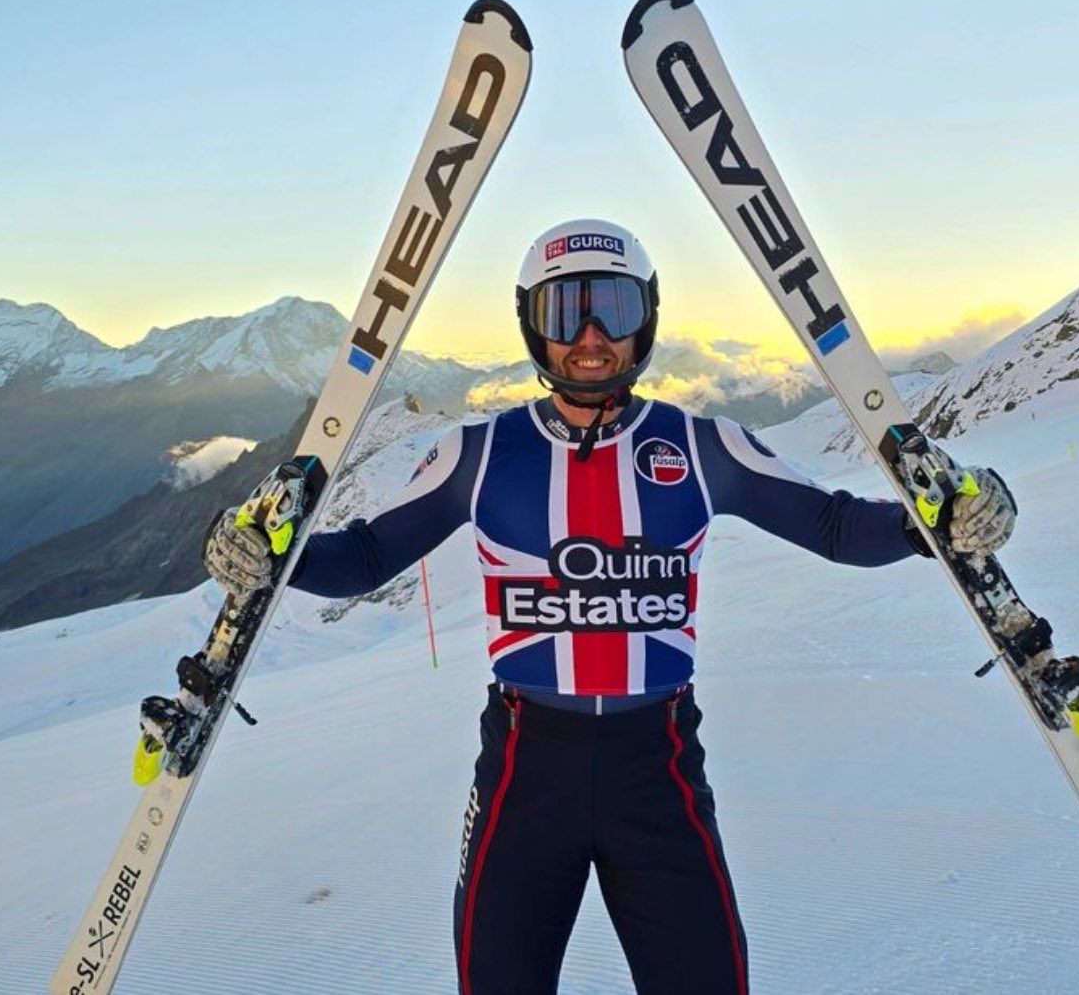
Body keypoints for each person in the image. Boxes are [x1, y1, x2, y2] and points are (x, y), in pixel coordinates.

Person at [204, 219, 1017, 995]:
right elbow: (369, 555)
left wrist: (938, 521)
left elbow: (837, 527)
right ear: (532, 325)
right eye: (565, 309)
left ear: (646, 320)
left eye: (614, 308)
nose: (589, 335)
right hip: (526, 767)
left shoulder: (702, 445)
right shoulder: (477, 455)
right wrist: (273, 554)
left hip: (655, 765)